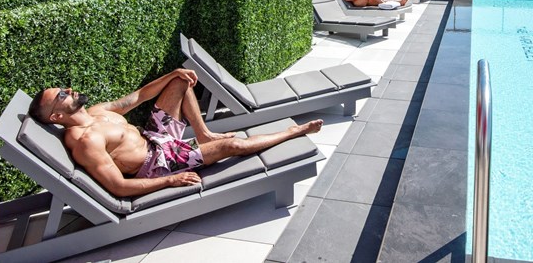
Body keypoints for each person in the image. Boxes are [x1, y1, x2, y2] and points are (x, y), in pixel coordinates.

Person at [28, 68, 322, 197]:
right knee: (232, 145)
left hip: (154, 136)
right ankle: (291, 132)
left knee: (180, 81)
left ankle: (203, 134)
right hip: (158, 162)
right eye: (61, 95)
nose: (68, 90)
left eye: (64, 89)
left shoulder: (97, 113)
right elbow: (117, 187)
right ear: (57, 115)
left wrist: (173, 75)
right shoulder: (84, 141)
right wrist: (170, 180)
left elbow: (140, 96)